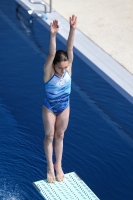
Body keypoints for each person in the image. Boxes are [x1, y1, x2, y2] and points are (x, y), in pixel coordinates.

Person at [42, 15, 77, 183]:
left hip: (64, 106)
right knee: (49, 136)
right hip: (50, 107)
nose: (63, 70)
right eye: (60, 67)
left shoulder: (68, 67)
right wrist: (53, 35)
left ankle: (58, 165)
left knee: (60, 135)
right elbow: (51, 53)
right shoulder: (49, 72)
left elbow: (70, 48)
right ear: (53, 65)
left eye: (65, 67)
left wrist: (72, 29)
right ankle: (49, 167)